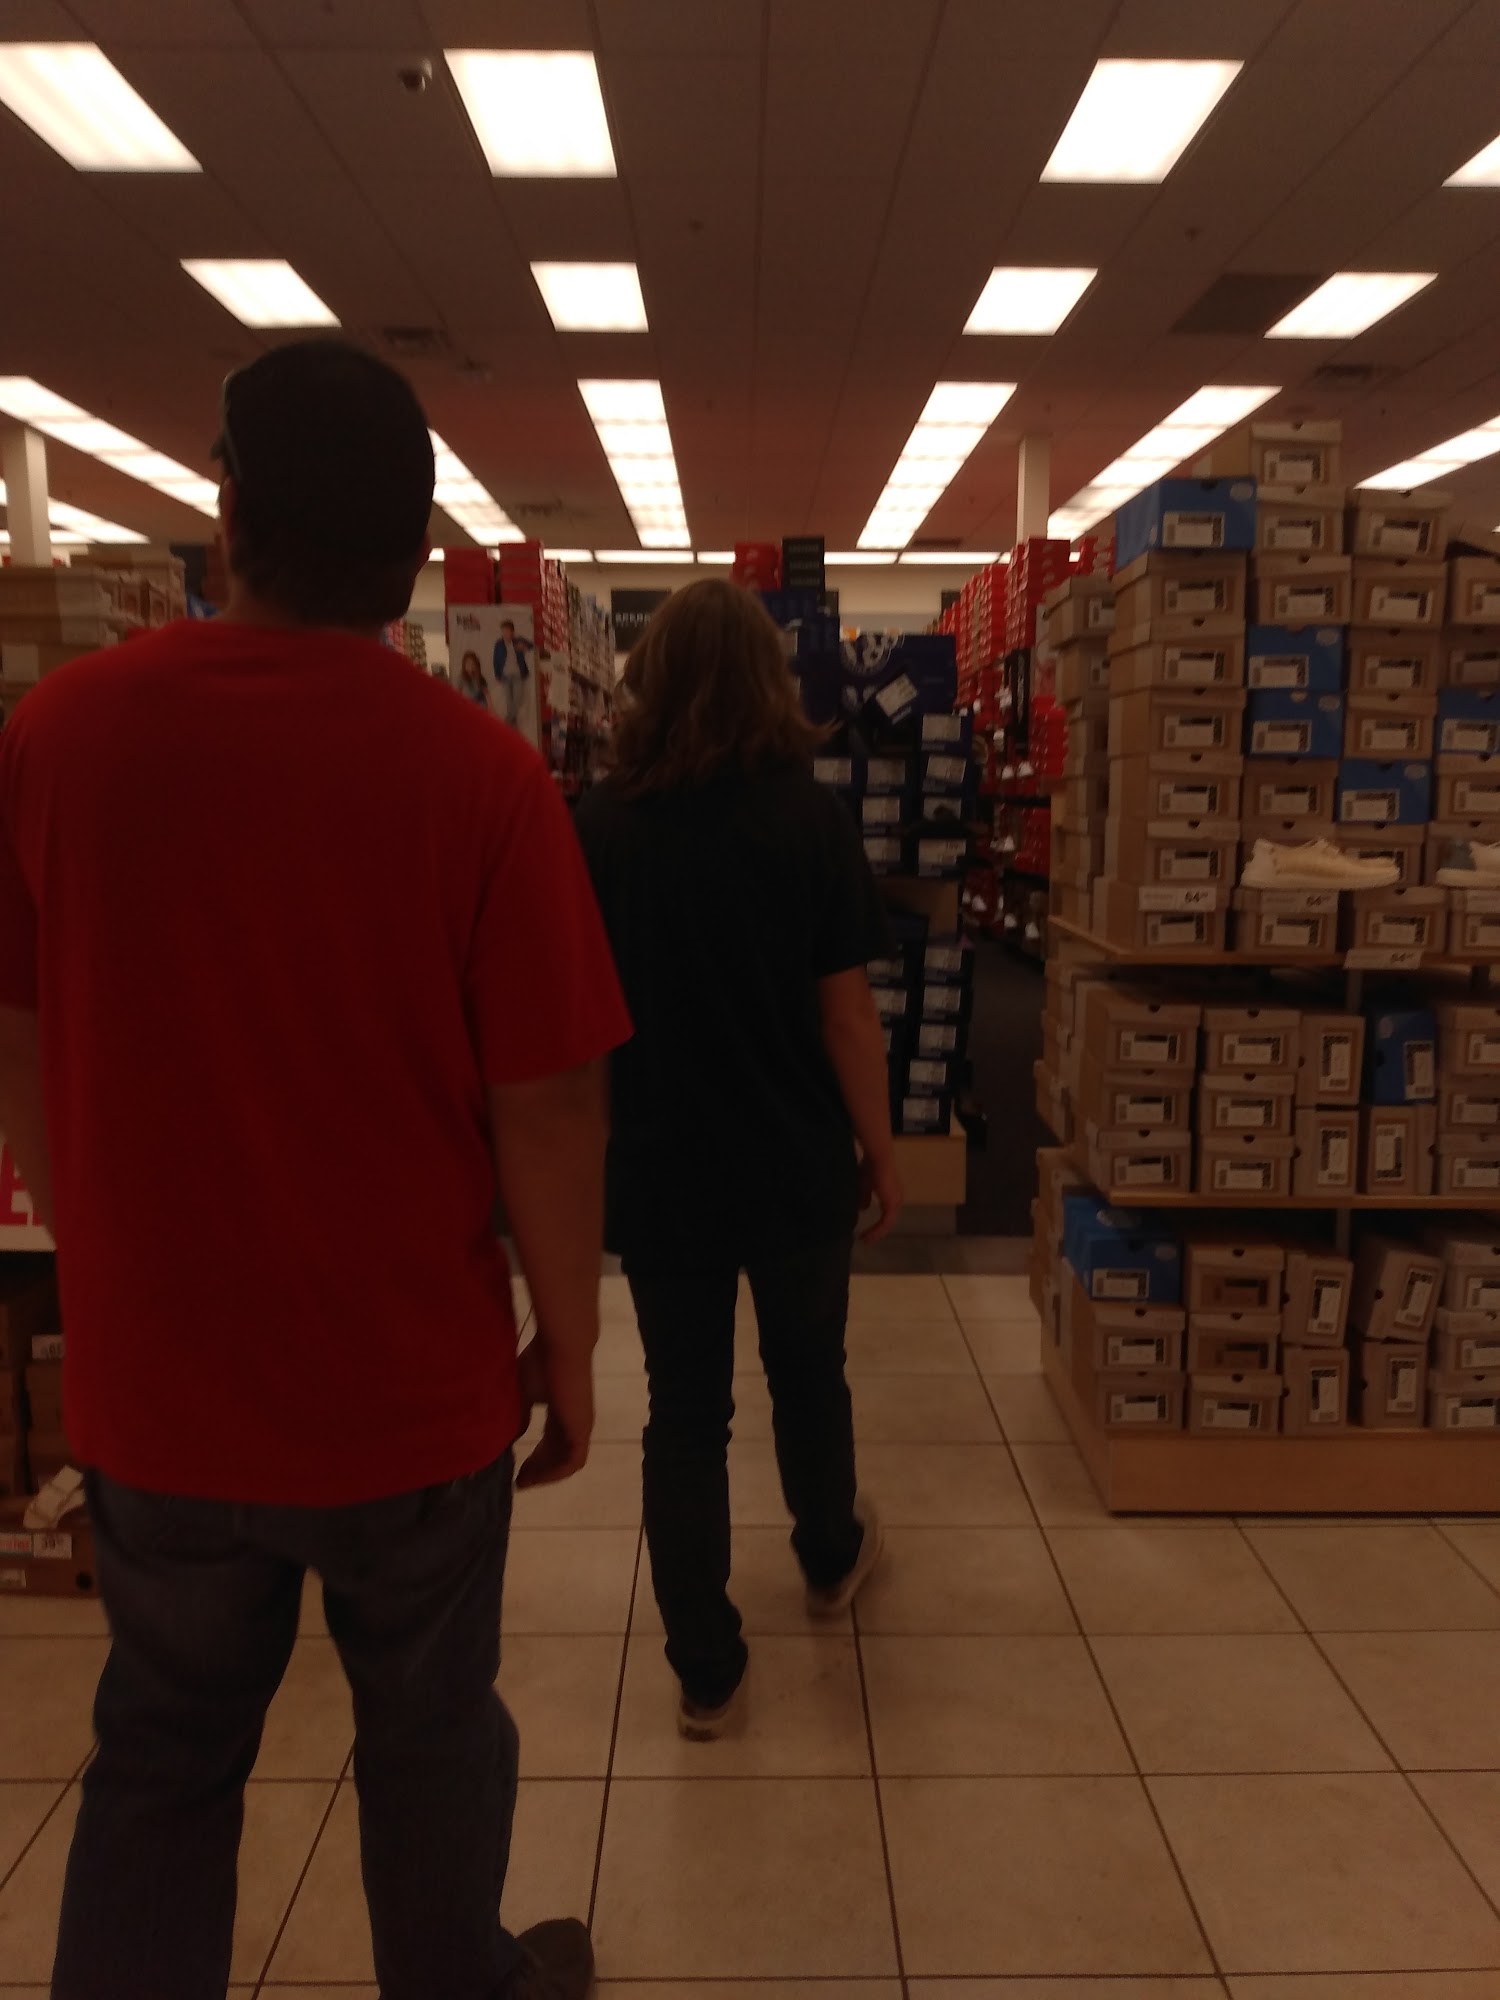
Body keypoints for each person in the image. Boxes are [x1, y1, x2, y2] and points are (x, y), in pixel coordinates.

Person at [0, 340, 631, 2000]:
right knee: (430, 1738)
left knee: (163, 1752)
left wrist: (93, 1248)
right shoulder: (483, 779)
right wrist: (568, 1346)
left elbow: (20, 1032)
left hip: (162, 1387)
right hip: (406, 1392)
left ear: (228, 517)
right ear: (418, 553)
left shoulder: (59, 736)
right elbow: (550, 1105)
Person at [573, 579, 903, 1740]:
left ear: (646, 681)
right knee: (810, 1373)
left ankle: (706, 1669)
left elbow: (577, 1027)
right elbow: (846, 1017)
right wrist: (881, 1149)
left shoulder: (599, 827)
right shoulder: (809, 820)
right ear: (771, 680)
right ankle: (830, 1555)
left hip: (660, 1168)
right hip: (793, 1159)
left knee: (684, 1412)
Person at [493, 619, 534, 730]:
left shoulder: (518, 641)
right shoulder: (499, 644)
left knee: (518, 699)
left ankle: (508, 721)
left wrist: (524, 647)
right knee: (509, 701)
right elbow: (495, 660)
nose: (505, 634)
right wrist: (497, 674)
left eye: (507, 631)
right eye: (503, 631)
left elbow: (532, 645)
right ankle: (512, 723)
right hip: (505, 676)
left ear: (512, 632)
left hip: (518, 675)